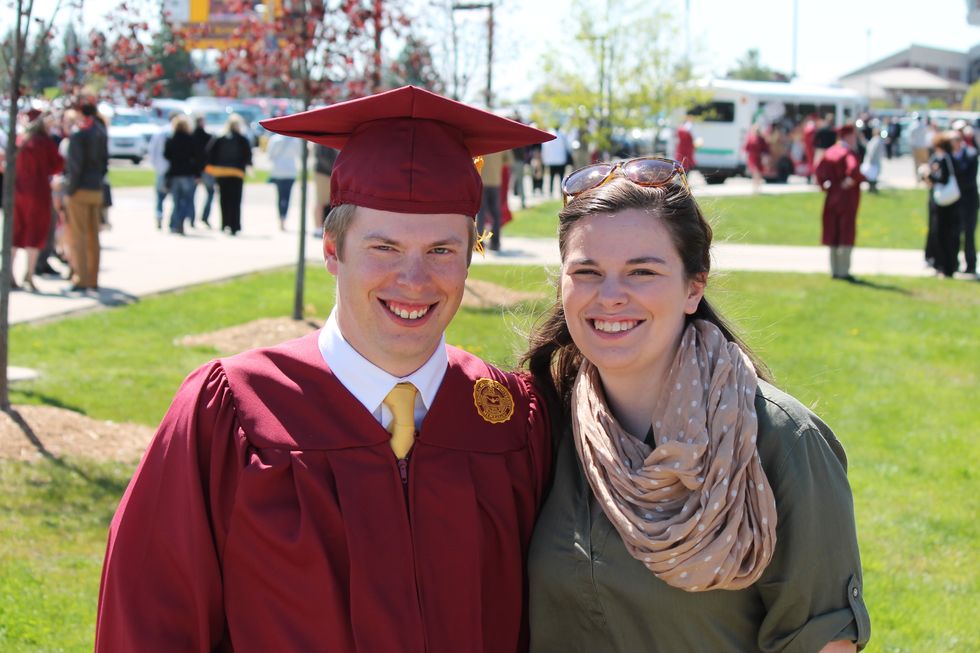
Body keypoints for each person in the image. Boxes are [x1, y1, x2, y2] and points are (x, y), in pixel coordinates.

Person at [95, 86, 555, 652]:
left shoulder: (512, 420)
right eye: (384, 248)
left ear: (469, 255)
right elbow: (149, 623)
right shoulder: (234, 413)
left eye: (441, 250)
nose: (414, 280)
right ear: (332, 250)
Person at [522, 156, 870, 652]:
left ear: (693, 288)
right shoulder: (541, 427)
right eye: (587, 271)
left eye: (642, 271)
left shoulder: (782, 443)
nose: (611, 295)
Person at [12, 110, 63, 291]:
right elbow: (57, 164)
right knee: (34, 233)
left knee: (16, 232)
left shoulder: (20, 140)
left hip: (18, 191)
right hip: (38, 192)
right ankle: (29, 274)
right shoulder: (44, 142)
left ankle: (9, 273)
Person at [63, 101, 109, 292]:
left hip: (80, 189)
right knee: (93, 236)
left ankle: (81, 278)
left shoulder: (79, 134)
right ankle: (93, 277)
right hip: (96, 188)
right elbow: (105, 163)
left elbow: (75, 167)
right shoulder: (101, 131)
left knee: (79, 236)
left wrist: (70, 190)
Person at [815, 124, 865, 281]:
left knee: (833, 230)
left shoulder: (830, 151)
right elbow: (854, 169)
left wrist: (825, 185)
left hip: (831, 196)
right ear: (848, 136)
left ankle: (834, 269)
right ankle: (843, 271)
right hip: (846, 197)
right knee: (846, 231)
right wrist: (848, 182)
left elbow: (818, 171)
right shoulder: (848, 153)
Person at [205, 113, 252, 235]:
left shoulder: (220, 138)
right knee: (235, 200)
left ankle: (224, 223)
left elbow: (210, 154)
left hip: (222, 173)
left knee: (224, 199)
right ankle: (234, 225)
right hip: (236, 173)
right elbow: (248, 155)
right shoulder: (242, 139)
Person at [924, 131, 962, 278]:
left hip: (946, 203)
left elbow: (944, 179)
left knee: (943, 234)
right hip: (947, 202)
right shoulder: (946, 158)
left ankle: (945, 266)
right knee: (944, 233)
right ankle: (944, 264)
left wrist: (930, 176)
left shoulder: (945, 158)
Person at [163, 114, 199, 235]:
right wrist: (197, 174)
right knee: (185, 201)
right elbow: (196, 157)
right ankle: (180, 222)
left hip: (175, 173)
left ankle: (174, 222)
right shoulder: (190, 139)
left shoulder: (171, 139)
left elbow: (166, 155)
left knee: (176, 200)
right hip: (187, 173)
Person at [951, 124, 978, 277]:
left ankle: (970, 264)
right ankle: (953, 263)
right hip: (955, 201)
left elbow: (969, 179)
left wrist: (953, 182)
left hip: (969, 201)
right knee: (954, 233)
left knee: (969, 234)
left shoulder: (971, 154)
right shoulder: (950, 156)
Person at [265, 130, 304, 230]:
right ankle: (284, 218)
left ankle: (281, 219)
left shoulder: (275, 139)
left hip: (278, 171)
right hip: (290, 171)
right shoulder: (295, 140)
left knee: (280, 196)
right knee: (287, 196)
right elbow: (300, 153)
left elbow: (270, 155)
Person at [478, 148, 511, 252]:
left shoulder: (479, 143)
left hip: (482, 181)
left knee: (481, 214)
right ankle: (495, 242)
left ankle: (479, 243)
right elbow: (508, 160)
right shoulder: (500, 144)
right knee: (496, 214)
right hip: (496, 181)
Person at [147, 114, 171, 230]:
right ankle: (172, 221)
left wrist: (157, 166)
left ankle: (159, 214)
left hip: (161, 168)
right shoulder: (174, 131)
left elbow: (152, 151)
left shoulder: (160, 132)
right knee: (176, 198)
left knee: (160, 196)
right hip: (172, 170)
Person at [191, 115, 215, 228]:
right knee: (210, 193)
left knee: (191, 195)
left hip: (193, 169)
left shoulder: (190, 136)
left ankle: (191, 218)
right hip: (206, 169)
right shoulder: (208, 137)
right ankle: (205, 216)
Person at [743, 123, 769, 193]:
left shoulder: (761, 139)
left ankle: (758, 186)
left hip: (759, 158)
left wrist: (765, 157)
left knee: (758, 173)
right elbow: (746, 147)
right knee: (755, 172)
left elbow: (765, 149)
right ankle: (755, 186)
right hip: (752, 158)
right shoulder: (750, 138)